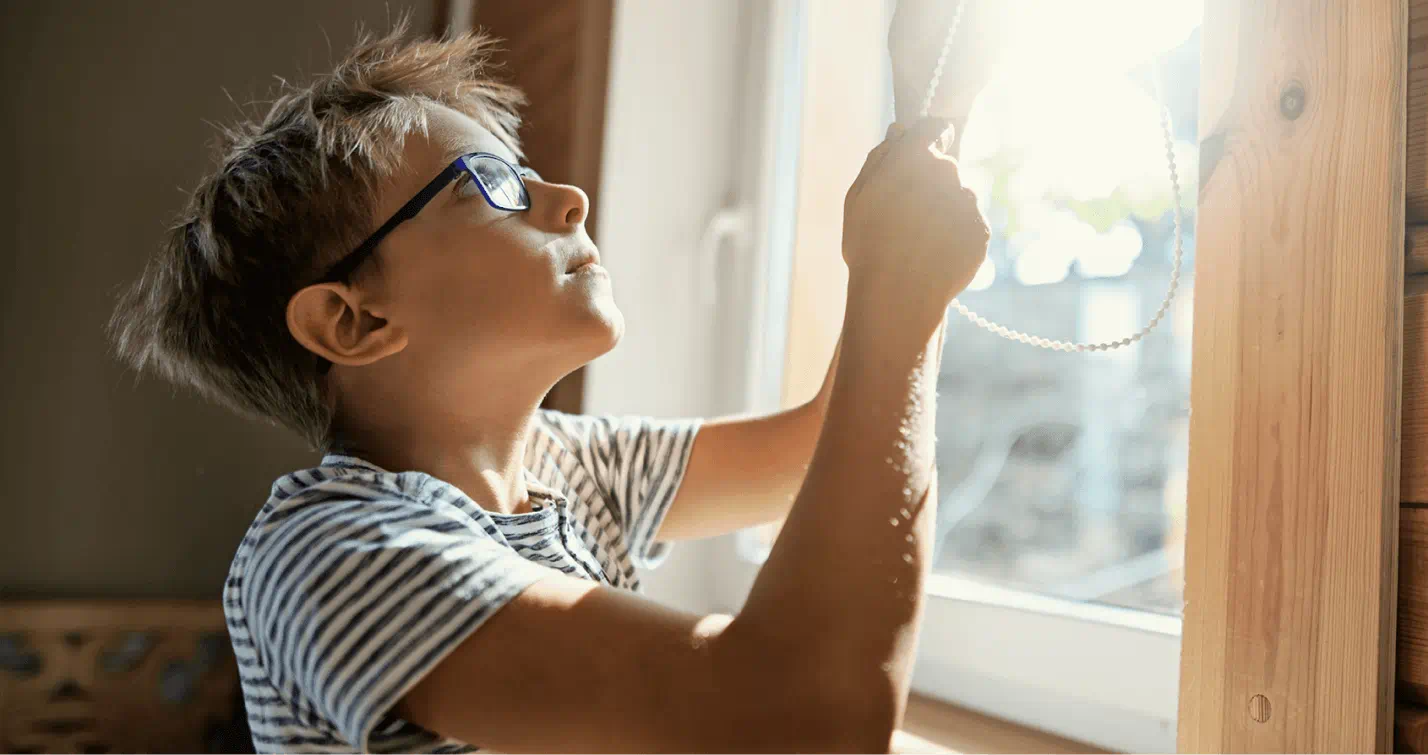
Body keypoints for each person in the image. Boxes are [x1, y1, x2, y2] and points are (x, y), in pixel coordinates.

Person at [107, 3, 994, 753]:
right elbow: (806, 719)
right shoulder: (324, 554)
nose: (567, 198)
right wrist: (894, 294)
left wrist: (931, 115)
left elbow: (818, 448)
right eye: (489, 184)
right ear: (355, 319)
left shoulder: (562, 466)